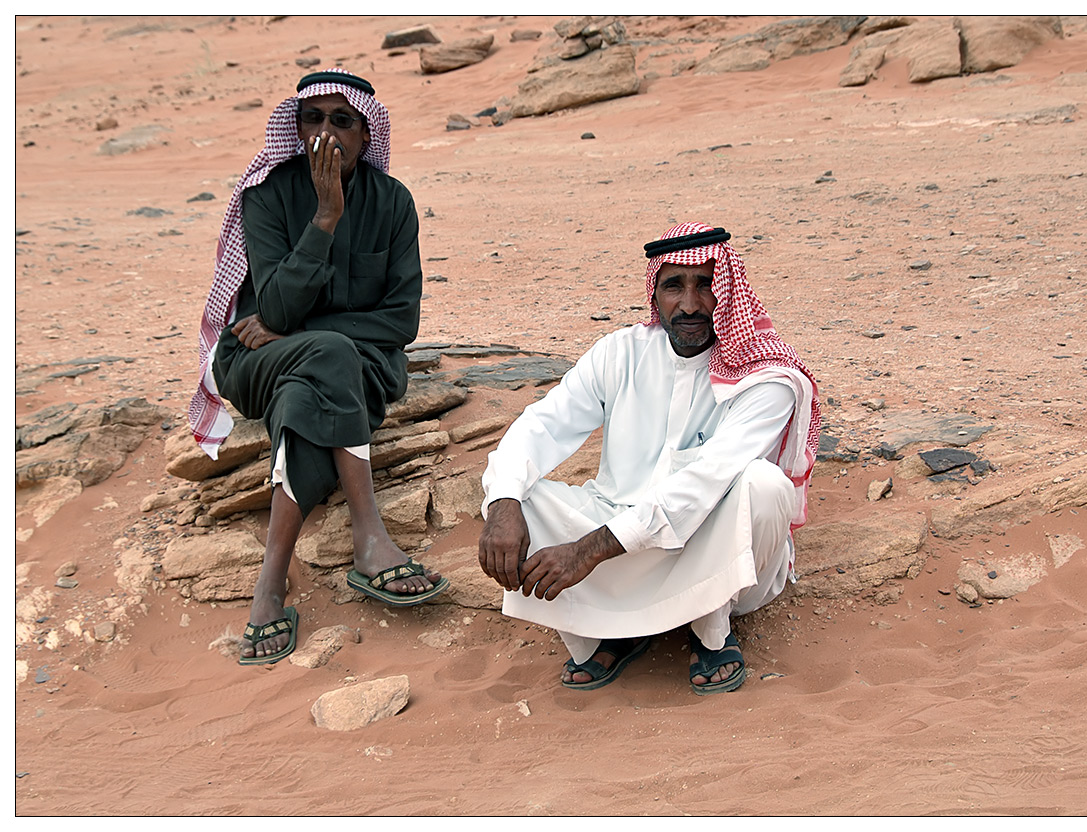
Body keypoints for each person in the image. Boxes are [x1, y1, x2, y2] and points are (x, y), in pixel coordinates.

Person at [478, 221, 822, 694]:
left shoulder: (766, 379)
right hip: (619, 528)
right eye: (674, 286)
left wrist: (586, 551)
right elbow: (542, 425)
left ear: (728, 290)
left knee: (761, 486)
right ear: (655, 293)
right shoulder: (621, 353)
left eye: (706, 284)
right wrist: (502, 506)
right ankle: (614, 632)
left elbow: (704, 484)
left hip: (711, 543)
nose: (689, 304)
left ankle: (712, 632)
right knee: (520, 494)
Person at [187, 68, 447, 665]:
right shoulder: (268, 193)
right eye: (312, 119)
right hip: (255, 362)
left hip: (359, 363)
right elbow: (270, 309)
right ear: (294, 126)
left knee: (315, 382)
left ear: (364, 132)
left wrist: (305, 332)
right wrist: (325, 217)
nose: (324, 132)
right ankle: (371, 537)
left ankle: (270, 583)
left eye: (341, 120)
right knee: (324, 360)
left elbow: (400, 322)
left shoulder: (393, 202)